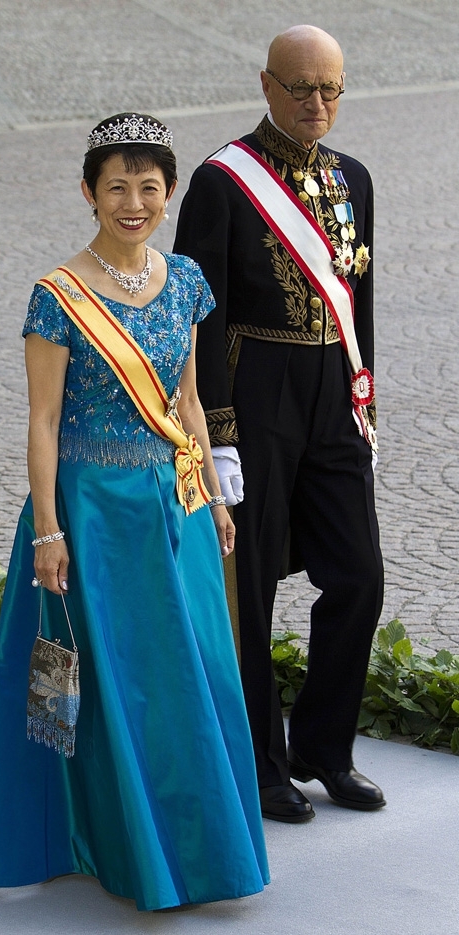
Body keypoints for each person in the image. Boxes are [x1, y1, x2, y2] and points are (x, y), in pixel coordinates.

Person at [0, 112, 269, 910]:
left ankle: (201, 845)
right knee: (114, 681)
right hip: (92, 514)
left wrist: (211, 497)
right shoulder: (58, 295)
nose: (132, 203)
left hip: (175, 507)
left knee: (193, 673)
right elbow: (41, 421)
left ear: (168, 194)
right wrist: (49, 529)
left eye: (148, 187)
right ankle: (109, 842)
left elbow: (191, 402)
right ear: (89, 193)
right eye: (115, 188)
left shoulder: (189, 282)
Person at [174, 26, 386, 823]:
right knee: (249, 587)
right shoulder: (221, 183)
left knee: (359, 574)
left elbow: (360, 300)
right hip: (255, 394)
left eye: (331, 89)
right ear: (266, 86)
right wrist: (215, 434)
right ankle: (260, 762)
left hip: (334, 388)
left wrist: (365, 397)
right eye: (301, 88)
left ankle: (324, 746)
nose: (317, 104)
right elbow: (203, 312)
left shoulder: (354, 178)